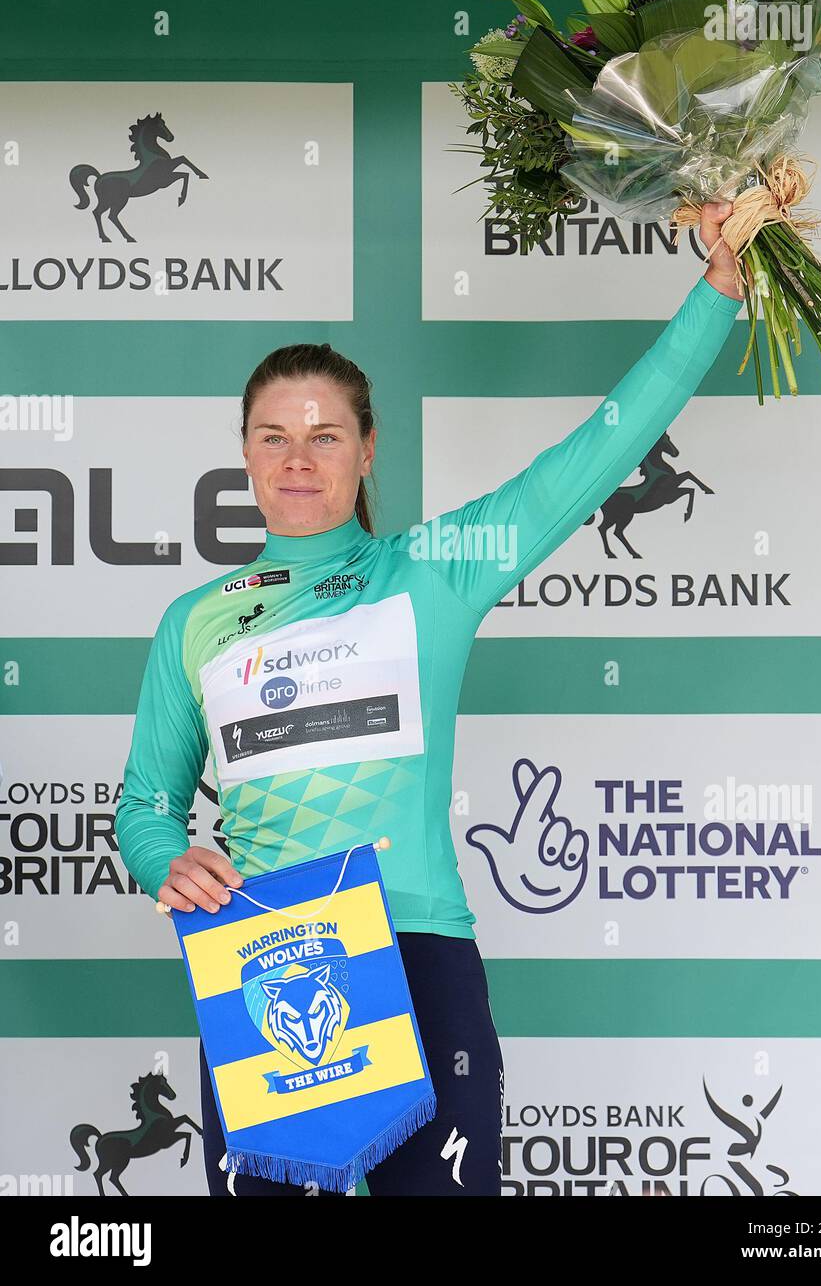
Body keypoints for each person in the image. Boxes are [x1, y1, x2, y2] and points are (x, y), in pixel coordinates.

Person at [114, 203, 742, 1197]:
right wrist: (168, 858)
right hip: (263, 957)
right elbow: (146, 804)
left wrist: (714, 292)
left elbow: (592, 456)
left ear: (367, 451)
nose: (296, 459)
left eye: (325, 437)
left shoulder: (435, 572)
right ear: (244, 456)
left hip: (419, 956)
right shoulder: (196, 620)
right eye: (272, 437)